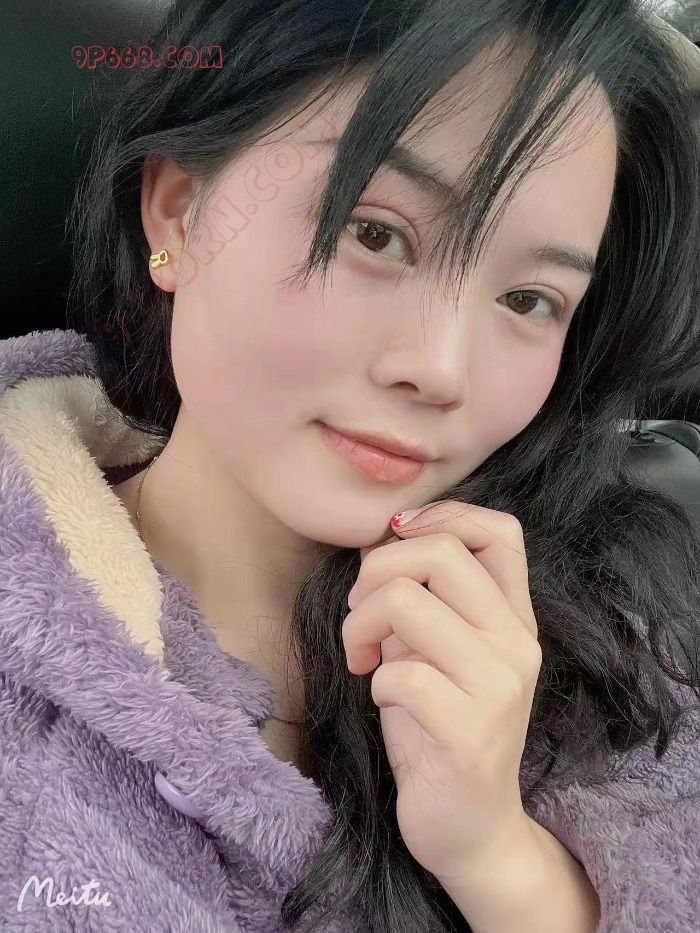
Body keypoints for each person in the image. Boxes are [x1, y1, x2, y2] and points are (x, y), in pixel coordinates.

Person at [0, 1, 698, 930]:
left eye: (530, 299)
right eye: (376, 234)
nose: (442, 369)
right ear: (180, 211)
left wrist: (504, 862)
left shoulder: (617, 641)